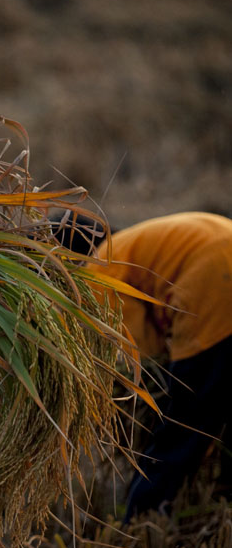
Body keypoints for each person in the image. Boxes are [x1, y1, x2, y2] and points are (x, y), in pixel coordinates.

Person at [88, 212, 232, 520]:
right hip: (222, 254)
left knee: (185, 420)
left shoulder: (97, 267)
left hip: (212, 283)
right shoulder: (133, 242)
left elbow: (141, 355)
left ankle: (141, 515)